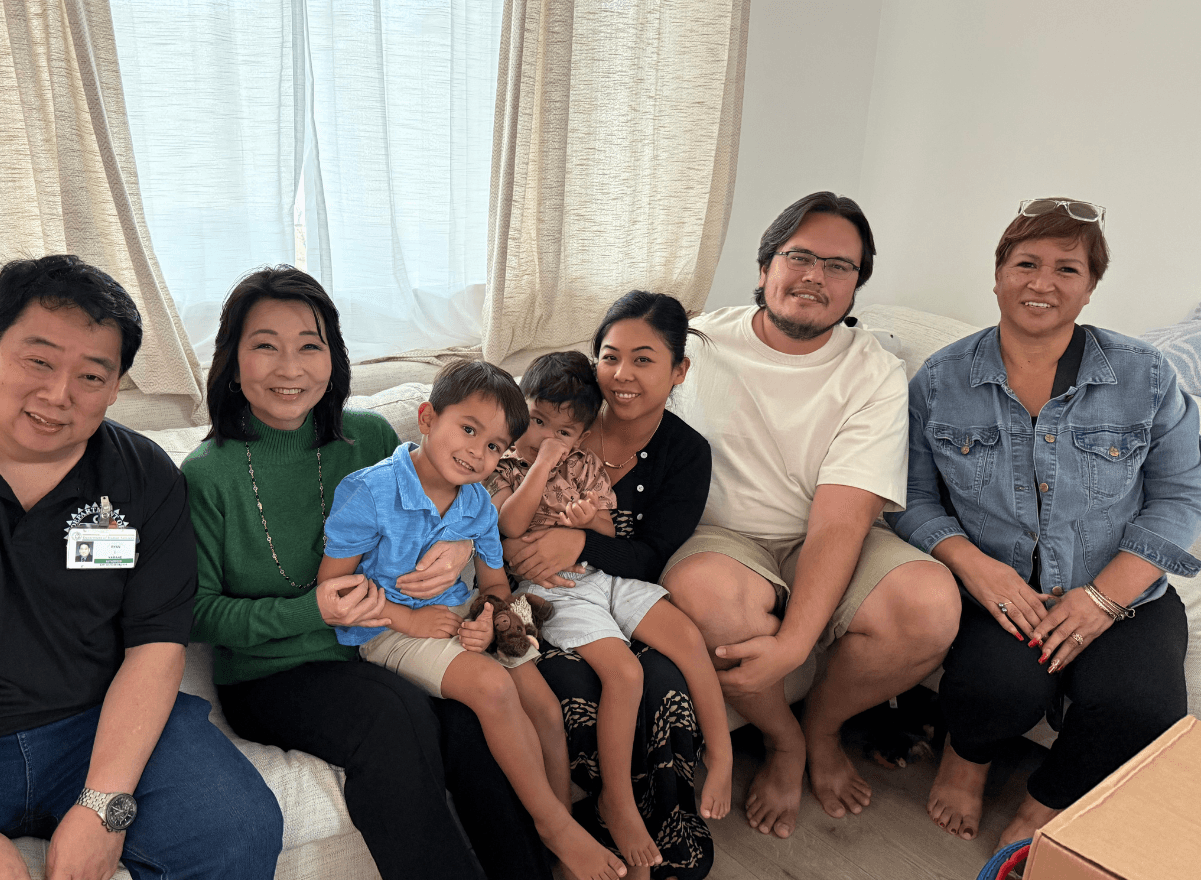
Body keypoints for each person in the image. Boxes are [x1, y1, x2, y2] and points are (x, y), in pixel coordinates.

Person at [0, 255, 282, 880]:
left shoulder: (145, 478)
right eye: (39, 360)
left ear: (115, 387)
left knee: (235, 826)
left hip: (94, 728)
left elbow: (156, 650)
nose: (58, 395)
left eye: (90, 376)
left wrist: (103, 803)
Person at [182, 266, 554, 880]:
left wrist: (461, 546)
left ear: (333, 357)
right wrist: (313, 611)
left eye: (309, 345)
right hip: (275, 672)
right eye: (264, 345)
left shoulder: (369, 434)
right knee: (394, 720)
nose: (290, 367)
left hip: (381, 641)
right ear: (233, 358)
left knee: (473, 714)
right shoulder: (208, 474)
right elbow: (198, 612)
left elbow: (436, 509)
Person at [887, 197, 1201, 848]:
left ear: (1090, 289)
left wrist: (1100, 599)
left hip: (1123, 590)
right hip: (1002, 589)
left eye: (1068, 268)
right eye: (1026, 262)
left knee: (1146, 710)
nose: (1042, 282)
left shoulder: (1147, 375)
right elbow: (912, 497)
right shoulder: (941, 381)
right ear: (998, 274)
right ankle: (964, 758)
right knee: (991, 687)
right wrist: (976, 568)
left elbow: (1181, 494)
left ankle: (1045, 800)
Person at [661, 191, 961, 840]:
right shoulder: (694, 346)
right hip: (722, 536)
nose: (815, 278)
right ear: (766, 265)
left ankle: (822, 729)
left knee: (931, 605)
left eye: (839, 266)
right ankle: (783, 740)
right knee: (705, 595)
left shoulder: (874, 373)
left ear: (856, 286)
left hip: (819, 533)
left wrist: (796, 641)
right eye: (799, 257)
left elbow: (839, 521)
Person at [318, 358, 626, 880]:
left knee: (547, 711)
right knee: (493, 687)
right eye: (467, 429)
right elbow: (333, 587)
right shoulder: (369, 491)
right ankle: (555, 826)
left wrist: (490, 616)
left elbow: (495, 583)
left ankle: (558, 832)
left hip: (465, 615)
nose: (476, 453)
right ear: (426, 418)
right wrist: (403, 618)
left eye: (492, 446)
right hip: (388, 629)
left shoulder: (478, 503)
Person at [486, 350, 733, 879]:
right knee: (625, 672)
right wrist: (543, 465)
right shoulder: (502, 463)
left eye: (565, 432)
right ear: (519, 409)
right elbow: (509, 526)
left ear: (583, 434)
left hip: (602, 574)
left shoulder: (585, 465)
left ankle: (725, 758)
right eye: (537, 421)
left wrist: (586, 524)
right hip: (553, 588)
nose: (548, 437)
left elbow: (608, 534)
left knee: (686, 638)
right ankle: (616, 804)